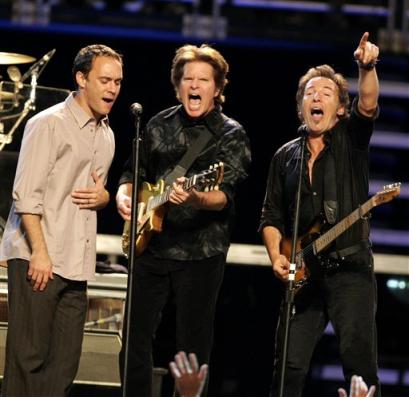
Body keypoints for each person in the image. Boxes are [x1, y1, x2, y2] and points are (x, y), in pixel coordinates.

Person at [116, 43, 251, 396]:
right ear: (178, 86)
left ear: (218, 88)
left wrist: (195, 197)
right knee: (133, 339)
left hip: (200, 253)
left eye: (204, 79)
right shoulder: (158, 123)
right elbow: (133, 171)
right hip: (152, 247)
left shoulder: (231, 134)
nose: (195, 85)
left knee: (192, 347)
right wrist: (124, 196)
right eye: (188, 78)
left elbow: (224, 196)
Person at [259, 32, 380, 397]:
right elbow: (270, 215)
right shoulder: (285, 156)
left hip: (351, 271)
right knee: (288, 368)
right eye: (310, 93)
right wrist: (277, 256)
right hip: (304, 276)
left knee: (358, 364)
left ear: (341, 108)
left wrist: (366, 66)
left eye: (326, 94)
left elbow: (369, 102)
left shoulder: (352, 138)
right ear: (300, 108)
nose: (317, 97)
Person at [0, 44, 123, 397]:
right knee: (28, 358)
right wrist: (39, 252)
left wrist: (106, 198)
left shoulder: (107, 134)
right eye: (104, 80)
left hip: (76, 262)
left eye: (117, 81)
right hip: (39, 256)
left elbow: (92, 192)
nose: (112, 89)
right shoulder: (48, 123)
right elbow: (25, 193)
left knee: (65, 363)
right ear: (81, 78)